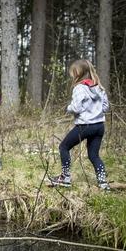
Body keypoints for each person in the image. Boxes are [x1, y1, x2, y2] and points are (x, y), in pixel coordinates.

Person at [48, 59, 111, 190]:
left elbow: (76, 108)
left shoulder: (79, 88)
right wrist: (95, 111)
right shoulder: (99, 87)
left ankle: (65, 177)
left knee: (63, 147)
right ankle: (103, 182)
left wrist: (68, 107)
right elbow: (105, 107)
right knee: (94, 155)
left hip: (85, 126)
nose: (72, 76)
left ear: (78, 73)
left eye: (73, 73)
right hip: (99, 126)